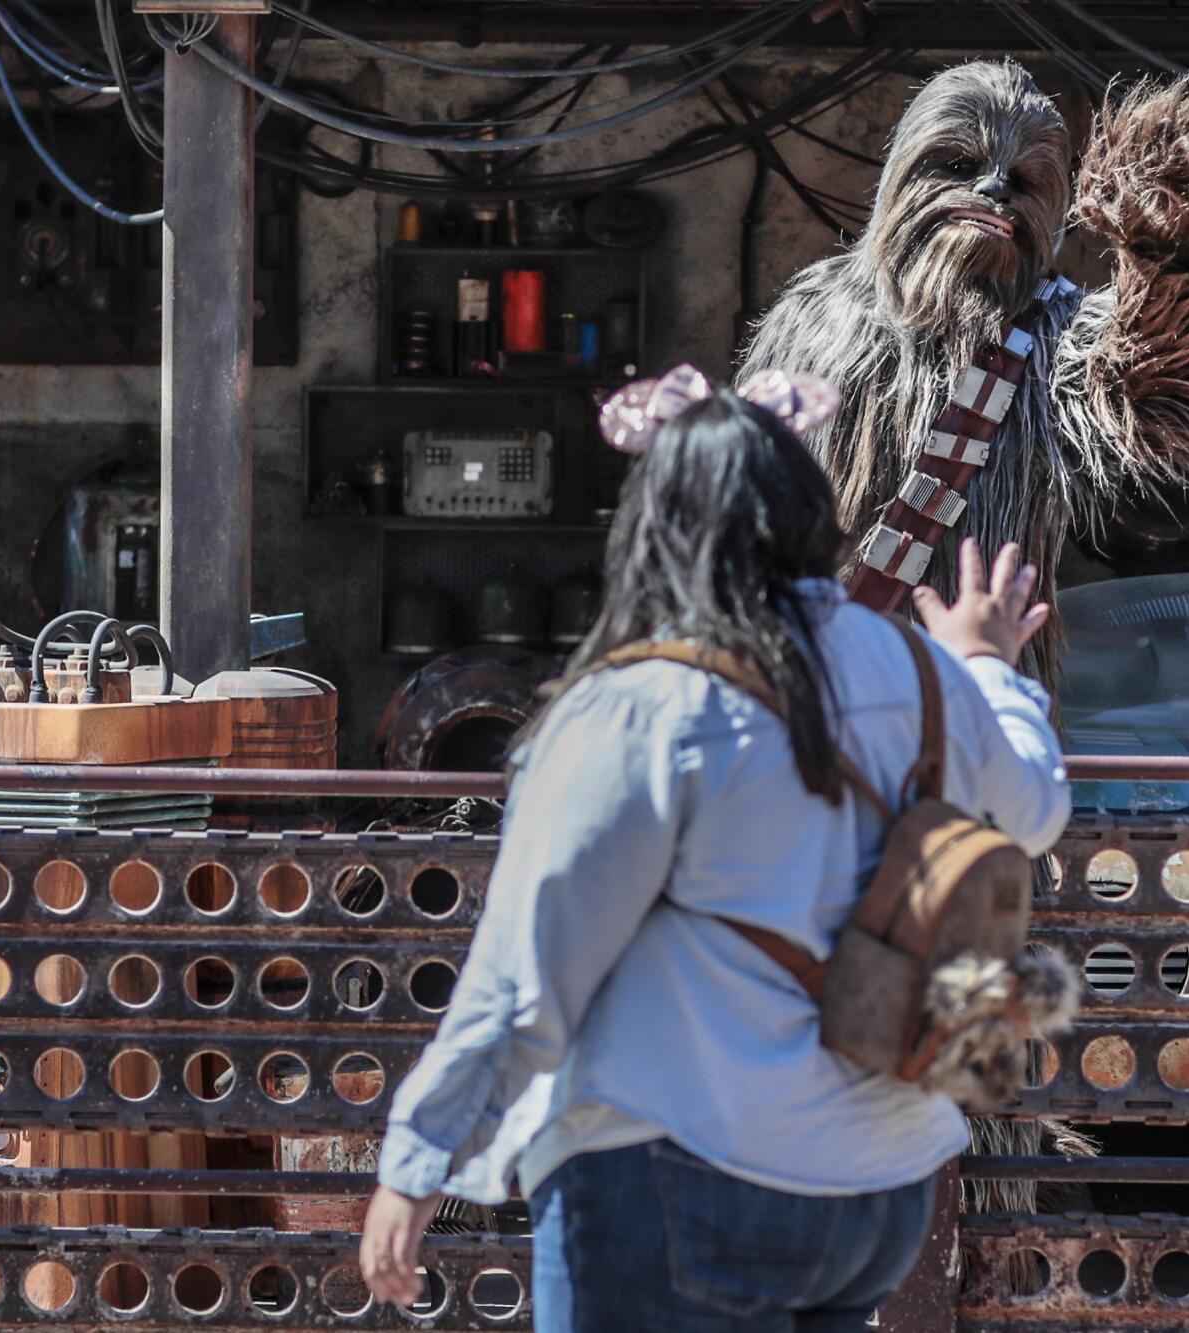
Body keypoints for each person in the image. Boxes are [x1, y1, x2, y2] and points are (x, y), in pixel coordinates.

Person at [359, 365, 1072, 1332]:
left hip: (678, 1175)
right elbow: (1032, 807)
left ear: (653, 531)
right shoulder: (919, 669)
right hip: (878, 1192)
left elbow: (530, 972)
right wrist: (987, 667)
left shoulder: (641, 705)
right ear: (813, 519)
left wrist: (415, 1161)